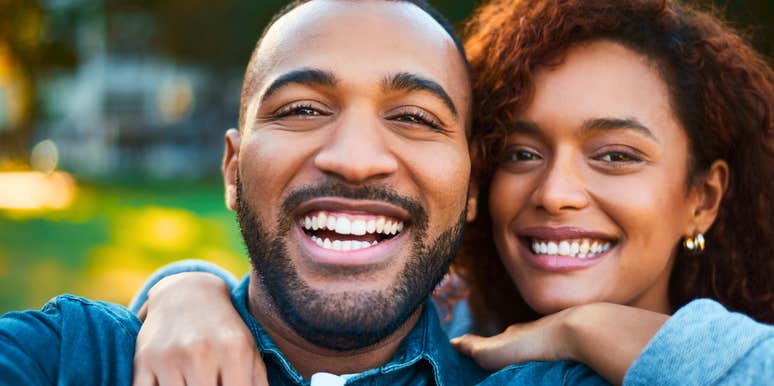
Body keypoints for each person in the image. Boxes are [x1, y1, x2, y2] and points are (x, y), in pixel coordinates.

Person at [131, 0, 774, 385]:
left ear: (702, 198)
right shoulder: (451, 322)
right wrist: (187, 292)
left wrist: (589, 331)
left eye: (615, 155)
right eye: (521, 153)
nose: (556, 192)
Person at [0, 1, 608, 385]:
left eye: (414, 117)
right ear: (233, 171)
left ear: (472, 188)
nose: (355, 160)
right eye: (302, 109)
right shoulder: (73, 358)